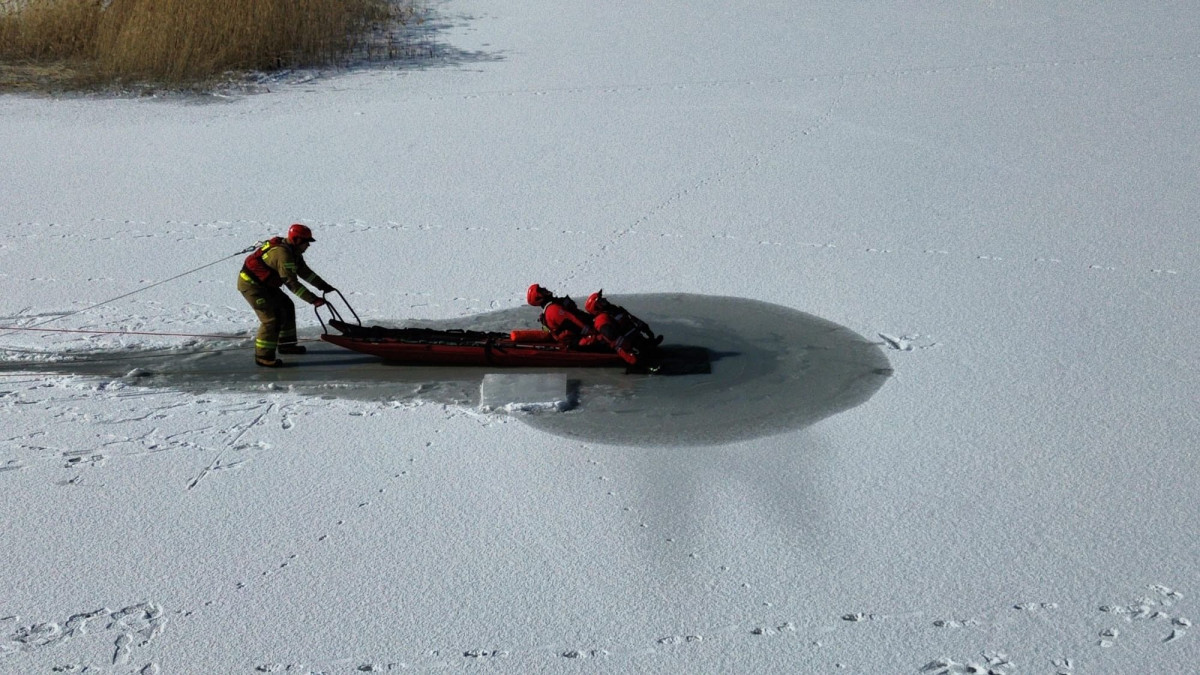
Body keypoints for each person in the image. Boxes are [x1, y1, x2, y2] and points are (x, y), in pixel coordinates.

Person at [237, 224, 334, 367]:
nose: (308, 245)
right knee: (271, 319)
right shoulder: (283, 255)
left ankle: (287, 345)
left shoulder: (293, 251)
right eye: (306, 241)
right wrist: (312, 299)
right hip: (253, 287)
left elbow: (304, 271)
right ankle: (263, 356)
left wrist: (322, 285)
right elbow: (291, 283)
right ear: (297, 240)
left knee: (287, 306)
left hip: (267, 286)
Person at [584, 289, 662, 367]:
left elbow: (631, 317)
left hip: (633, 336)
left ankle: (647, 347)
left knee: (648, 348)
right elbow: (612, 337)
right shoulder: (601, 319)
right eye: (601, 301)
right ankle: (642, 365)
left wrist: (645, 328)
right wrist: (628, 347)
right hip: (622, 345)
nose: (605, 300)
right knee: (636, 360)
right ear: (597, 307)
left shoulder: (614, 309)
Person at [526, 284, 595, 347]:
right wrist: (593, 333)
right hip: (579, 340)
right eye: (541, 290)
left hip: (580, 336)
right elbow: (574, 322)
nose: (544, 289)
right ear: (539, 297)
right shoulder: (553, 309)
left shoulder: (555, 305)